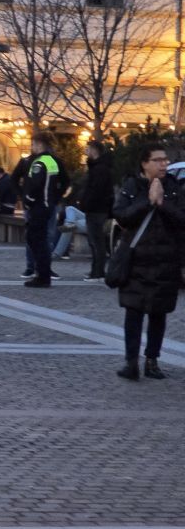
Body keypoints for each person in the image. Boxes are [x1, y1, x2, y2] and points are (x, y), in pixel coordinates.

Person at [112, 144, 184, 381]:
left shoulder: (174, 187)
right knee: (133, 313)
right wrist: (147, 202)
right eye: (158, 160)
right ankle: (131, 362)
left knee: (158, 314)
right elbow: (121, 215)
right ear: (145, 163)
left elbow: (182, 219)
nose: (164, 163)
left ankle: (152, 360)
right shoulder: (132, 186)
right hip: (136, 261)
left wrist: (162, 204)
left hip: (165, 261)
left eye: (165, 159)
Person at [21, 132, 65, 287]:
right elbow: (61, 182)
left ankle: (42, 275)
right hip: (48, 205)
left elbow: (35, 185)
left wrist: (27, 201)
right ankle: (44, 274)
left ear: (39, 144)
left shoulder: (39, 163)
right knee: (42, 241)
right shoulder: (52, 161)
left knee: (35, 240)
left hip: (38, 207)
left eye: (33, 144)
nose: (32, 147)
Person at [80, 140, 115, 282]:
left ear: (94, 150)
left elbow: (96, 190)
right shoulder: (97, 167)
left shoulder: (100, 169)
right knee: (95, 241)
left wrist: (86, 203)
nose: (86, 151)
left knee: (96, 241)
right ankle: (96, 271)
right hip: (96, 208)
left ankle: (98, 272)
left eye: (88, 148)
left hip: (97, 209)